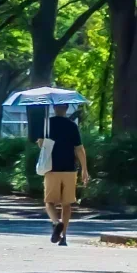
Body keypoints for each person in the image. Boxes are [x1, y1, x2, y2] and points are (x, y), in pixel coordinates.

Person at [38, 103, 89, 244]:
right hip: (69, 169)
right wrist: (84, 169)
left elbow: (41, 144)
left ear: (54, 108)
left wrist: (42, 142)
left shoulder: (47, 124)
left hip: (51, 168)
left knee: (49, 202)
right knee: (67, 204)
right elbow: (79, 149)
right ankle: (64, 236)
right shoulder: (72, 126)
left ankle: (56, 223)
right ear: (66, 108)